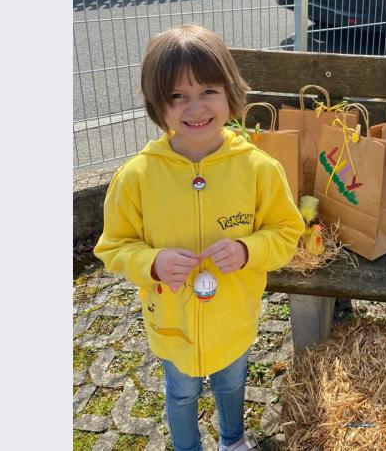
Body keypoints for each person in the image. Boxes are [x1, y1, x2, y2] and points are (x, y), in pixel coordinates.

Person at [94, 24, 304, 451]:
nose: (195, 108)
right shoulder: (136, 177)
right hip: (172, 323)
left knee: (231, 382)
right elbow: (113, 246)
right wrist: (150, 262)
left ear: (230, 92)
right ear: (158, 105)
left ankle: (232, 439)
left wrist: (248, 249)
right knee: (182, 391)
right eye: (177, 96)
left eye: (208, 90)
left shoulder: (259, 168)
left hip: (233, 317)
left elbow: (286, 233)